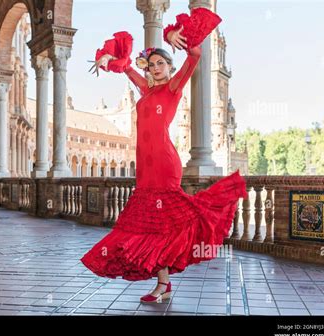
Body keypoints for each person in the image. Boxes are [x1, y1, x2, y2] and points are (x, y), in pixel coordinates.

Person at [81, 7, 248, 303]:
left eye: (161, 63)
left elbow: (194, 56)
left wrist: (174, 36)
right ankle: (164, 283)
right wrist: (107, 60)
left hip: (164, 164)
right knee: (152, 225)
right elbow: (125, 68)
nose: (155, 67)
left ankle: (163, 284)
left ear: (169, 67)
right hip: (145, 167)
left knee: (164, 222)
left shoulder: (172, 89)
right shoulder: (145, 90)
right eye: (152, 64)